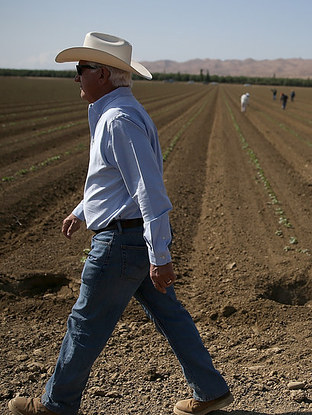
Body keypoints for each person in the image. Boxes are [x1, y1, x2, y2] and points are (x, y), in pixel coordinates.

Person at [7, 32, 233, 415]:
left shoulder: (118, 120)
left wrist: (160, 254)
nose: (76, 77)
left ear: (105, 74)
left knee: (85, 322)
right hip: (132, 240)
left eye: (82, 69)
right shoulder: (117, 113)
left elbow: (148, 190)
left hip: (121, 245)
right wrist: (82, 211)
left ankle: (56, 405)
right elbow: (116, 181)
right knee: (170, 316)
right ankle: (210, 391)